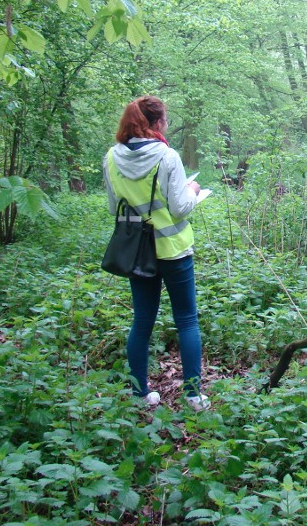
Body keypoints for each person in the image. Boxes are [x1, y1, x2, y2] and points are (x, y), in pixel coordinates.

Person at [103, 95, 210, 411]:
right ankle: (193, 395)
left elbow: (114, 208)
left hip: (138, 252)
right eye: (165, 121)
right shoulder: (167, 157)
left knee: (142, 321)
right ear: (158, 123)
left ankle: (139, 394)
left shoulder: (111, 158)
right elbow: (179, 208)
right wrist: (192, 192)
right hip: (174, 250)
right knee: (187, 321)